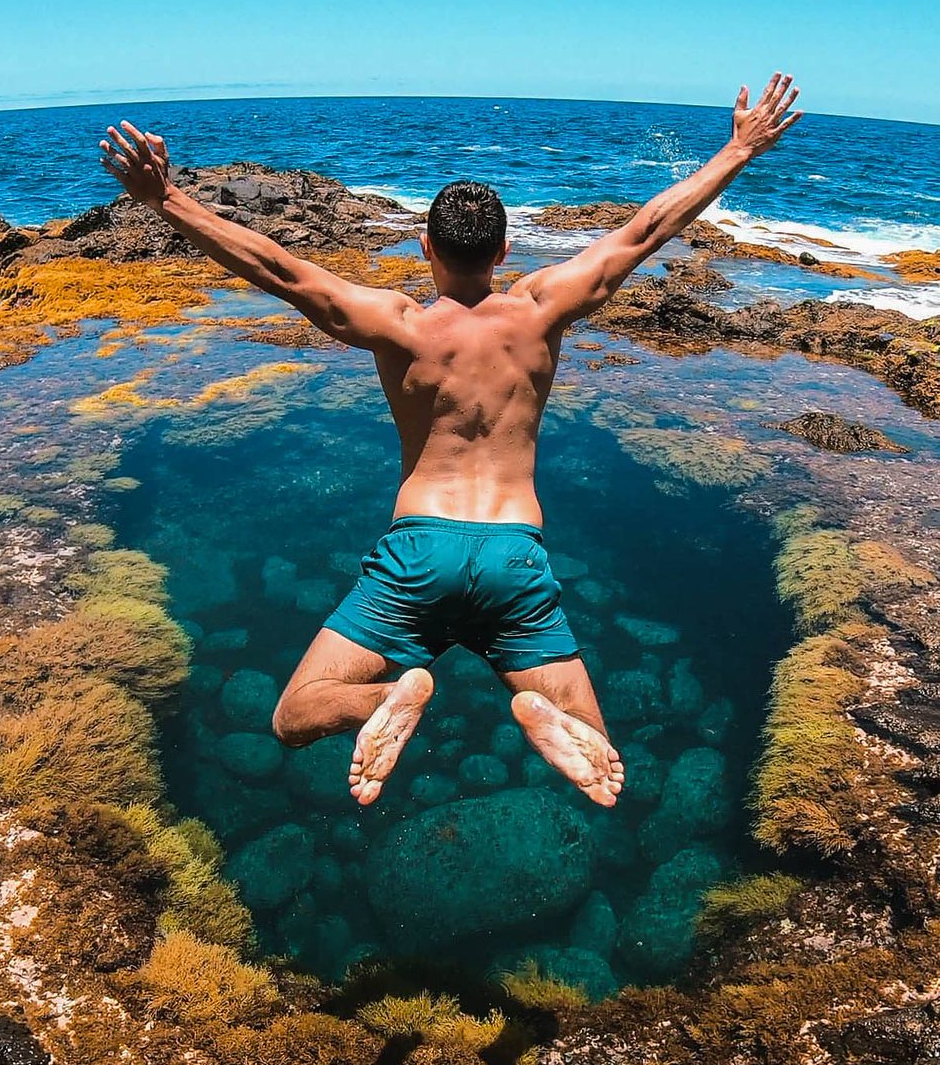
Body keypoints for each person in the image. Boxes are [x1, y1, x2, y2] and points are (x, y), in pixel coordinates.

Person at [101, 73, 801, 808]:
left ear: (426, 245)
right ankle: (547, 722)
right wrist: (738, 148)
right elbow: (647, 230)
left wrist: (165, 198)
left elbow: (278, 268)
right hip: (515, 554)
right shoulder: (539, 310)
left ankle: (377, 703)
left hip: (418, 550)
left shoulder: (396, 323)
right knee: (591, 734)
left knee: (295, 711)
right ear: (503, 252)